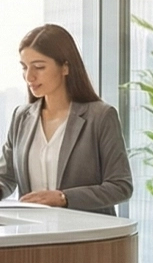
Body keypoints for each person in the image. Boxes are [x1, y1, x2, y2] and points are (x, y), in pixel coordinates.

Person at [0, 24, 133, 216]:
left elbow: (121, 186)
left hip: (84, 239)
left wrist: (64, 197)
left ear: (65, 67)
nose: (29, 76)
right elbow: (6, 177)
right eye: (24, 67)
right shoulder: (21, 117)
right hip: (33, 236)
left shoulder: (101, 116)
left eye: (39, 67)